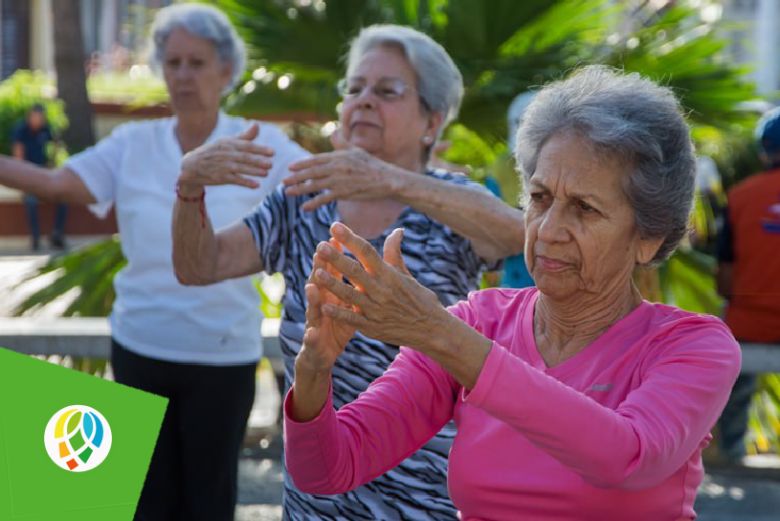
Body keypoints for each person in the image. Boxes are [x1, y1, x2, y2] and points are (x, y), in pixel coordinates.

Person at [285, 66, 742, 520]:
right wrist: (313, 371)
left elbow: (628, 458)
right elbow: (328, 470)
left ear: (649, 237)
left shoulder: (693, 346)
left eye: (584, 208)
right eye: (540, 198)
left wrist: (436, 332)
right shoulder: (477, 323)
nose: (549, 229)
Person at [173, 24, 524, 520]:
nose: (362, 101)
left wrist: (392, 179)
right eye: (354, 89)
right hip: (316, 494)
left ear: (432, 121)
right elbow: (198, 265)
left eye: (386, 91)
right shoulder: (305, 196)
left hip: (423, 495)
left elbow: (523, 235)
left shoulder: (452, 203)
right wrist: (189, 187)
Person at [0, 4, 309, 520]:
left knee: (208, 504)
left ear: (226, 70)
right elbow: (55, 183)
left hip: (222, 357)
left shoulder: (259, 144)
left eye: (197, 62)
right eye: (173, 63)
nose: (183, 75)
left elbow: (319, 185)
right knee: (146, 504)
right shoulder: (133, 144)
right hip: (141, 347)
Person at [715, 107, 780, 463]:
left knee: (732, 385)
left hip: (749, 322)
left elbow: (725, 272)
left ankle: (731, 452)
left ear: (764, 151)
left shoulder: (740, 196)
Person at [11, 104, 67, 250]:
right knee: (30, 202)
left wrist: (52, 164)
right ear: (30, 116)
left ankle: (57, 234)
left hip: (44, 175)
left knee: (63, 200)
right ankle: (35, 238)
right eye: (36, 117)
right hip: (28, 176)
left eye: (41, 117)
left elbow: (56, 145)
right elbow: (18, 156)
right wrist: (22, 181)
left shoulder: (46, 129)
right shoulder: (21, 130)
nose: (39, 120)